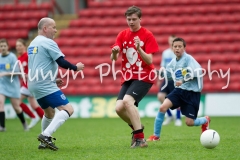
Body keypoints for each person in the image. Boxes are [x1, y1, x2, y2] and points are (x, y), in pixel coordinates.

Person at [28, 17, 84, 150]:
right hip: (43, 83)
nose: (56, 30)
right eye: (53, 27)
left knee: (49, 112)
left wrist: (52, 80)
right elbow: (62, 62)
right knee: (68, 109)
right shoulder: (48, 42)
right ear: (45, 28)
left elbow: (38, 65)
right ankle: (45, 135)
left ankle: (43, 143)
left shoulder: (33, 43)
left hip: (34, 83)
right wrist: (76, 67)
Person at [111, 6, 159, 148]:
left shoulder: (147, 35)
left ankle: (140, 139)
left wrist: (139, 49)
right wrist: (114, 52)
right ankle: (138, 127)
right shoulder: (122, 34)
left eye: (134, 19)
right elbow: (113, 57)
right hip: (128, 77)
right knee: (119, 108)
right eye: (128, 19)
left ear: (140, 19)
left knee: (127, 101)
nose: (131, 22)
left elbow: (150, 61)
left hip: (145, 75)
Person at [147, 37, 210, 141]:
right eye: (175, 46)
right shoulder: (173, 62)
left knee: (190, 123)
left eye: (179, 46)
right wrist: (158, 72)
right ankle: (156, 136)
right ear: (172, 48)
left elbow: (198, 72)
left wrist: (183, 80)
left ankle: (205, 120)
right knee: (162, 107)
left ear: (184, 48)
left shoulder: (189, 59)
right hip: (179, 90)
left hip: (192, 93)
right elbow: (168, 74)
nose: (177, 48)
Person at [0, 38, 28, 132]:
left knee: (16, 107)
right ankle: (2, 127)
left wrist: (5, 73)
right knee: (0, 103)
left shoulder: (12, 57)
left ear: (8, 47)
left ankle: (24, 124)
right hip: (2, 85)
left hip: (12, 85)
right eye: (1, 46)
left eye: (4, 46)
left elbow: (17, 72)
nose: (3, 48)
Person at [16, 38, 44, 129]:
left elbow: (35, 67)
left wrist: (31, 75)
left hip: (30, 82)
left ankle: (33, 117)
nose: (18, 48)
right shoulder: (19, 58)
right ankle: (47, 120)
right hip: (25, 83)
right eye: (17, 46)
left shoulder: (28, 56)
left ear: (24, 46)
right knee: (33, 104)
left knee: (17, 101)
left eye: (20, 45)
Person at [156, 35, 182, 127]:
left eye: (173, 41)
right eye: (170, 41)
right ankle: (170, 116)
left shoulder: (180, 53)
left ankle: (178, 118)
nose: (171, 42)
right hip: (167, 78)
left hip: (176, 79)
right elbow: (163, 66)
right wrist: (159, 78)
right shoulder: (165, 53)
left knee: (177, 98)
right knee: (160, 96)